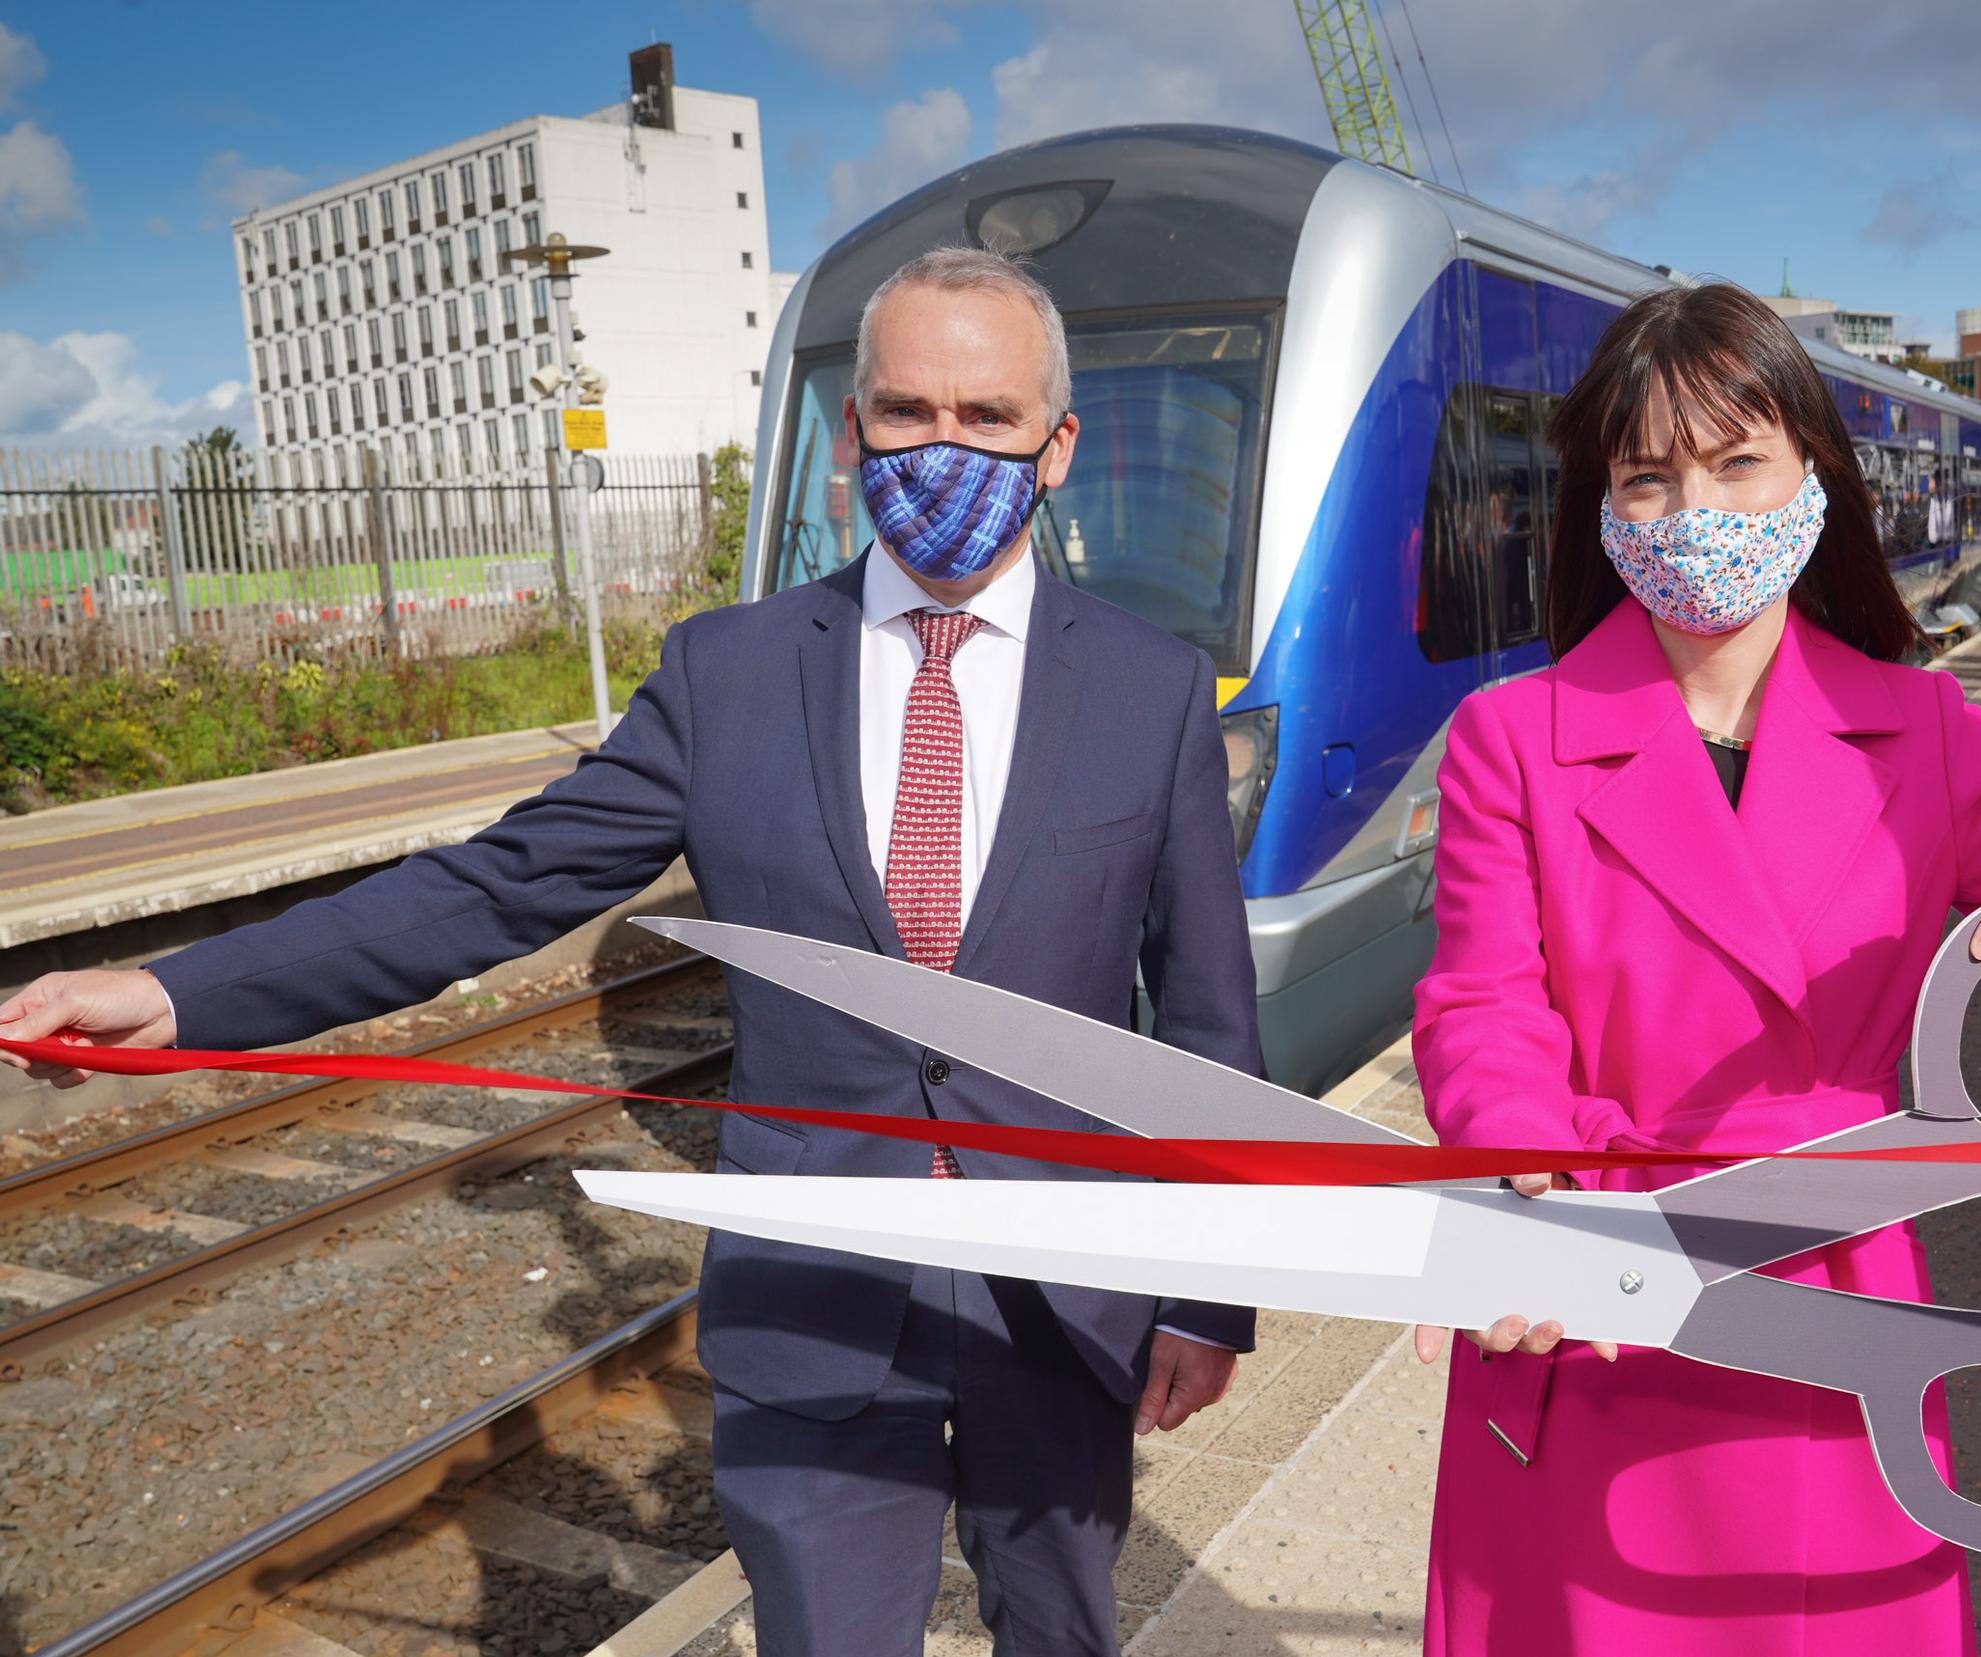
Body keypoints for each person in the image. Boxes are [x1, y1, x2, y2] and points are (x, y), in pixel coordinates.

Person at [0, 247, 1260, 1656]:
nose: (942, 447)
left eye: (987, 417)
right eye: (907, 411)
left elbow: (1206, 1016)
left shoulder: (1150, 688)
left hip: (1063, 1292)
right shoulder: (726, 673)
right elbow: (497, 887)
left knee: (1061, 1631)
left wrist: (1210, 1292)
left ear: (1056, 444)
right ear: (850, 433)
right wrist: (179, 989)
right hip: (814, 1285)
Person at [1407, 283, 1981, 1655]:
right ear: (1603, 507)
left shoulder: (1922, 726)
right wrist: (1521, 1167)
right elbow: (1484, 1001)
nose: (1695, 514)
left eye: (1737, 462)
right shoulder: (1510, 735)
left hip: (1825, 1295)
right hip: (1599, 1279)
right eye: (1648, 477)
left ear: (1811, 475)